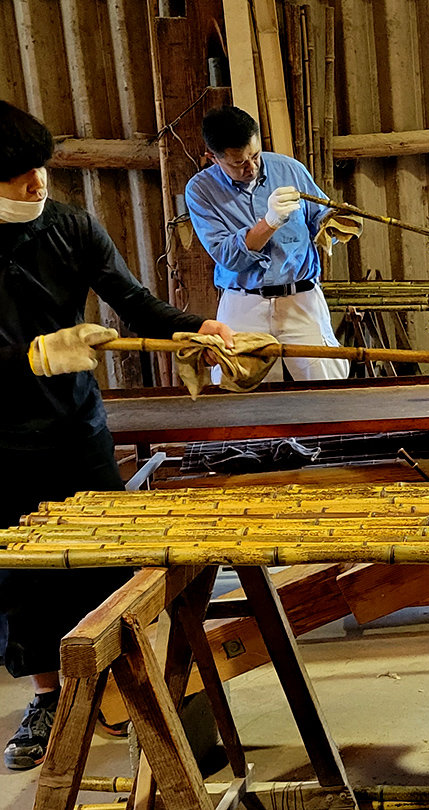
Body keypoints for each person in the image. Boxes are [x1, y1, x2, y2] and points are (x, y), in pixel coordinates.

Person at [0, 100, 235, 770]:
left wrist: (196, 328)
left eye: (39, 167)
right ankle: (46, 696)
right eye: (18, 175)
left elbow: (133, 301)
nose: (36, 183)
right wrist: (26, 359)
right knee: (21, 578)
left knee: (108, 562)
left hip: (76, 428)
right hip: (2, 442)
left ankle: (122, 682)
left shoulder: (69, 227)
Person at [185, 105, 350, 382]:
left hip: (301, 298)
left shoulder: (290, 169)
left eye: (256, 155)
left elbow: (319, 215)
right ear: (213, 158)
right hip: (243, 302)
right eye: (239, 163)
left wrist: (335, 220)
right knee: (236, 390)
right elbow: (228, 256)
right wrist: (270, 222)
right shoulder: (201, 191)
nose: (251, 167)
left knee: (327, 386)